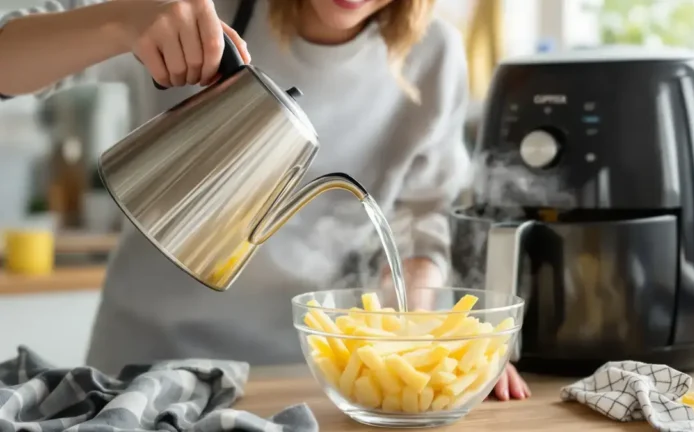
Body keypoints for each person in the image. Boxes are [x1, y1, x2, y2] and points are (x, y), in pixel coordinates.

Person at [0, 0, 530, 400]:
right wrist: (126, 20)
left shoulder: (433, 56)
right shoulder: (207, 12)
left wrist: (431, 346)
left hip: (308, 386)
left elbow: (421, 224)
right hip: (142, 374)